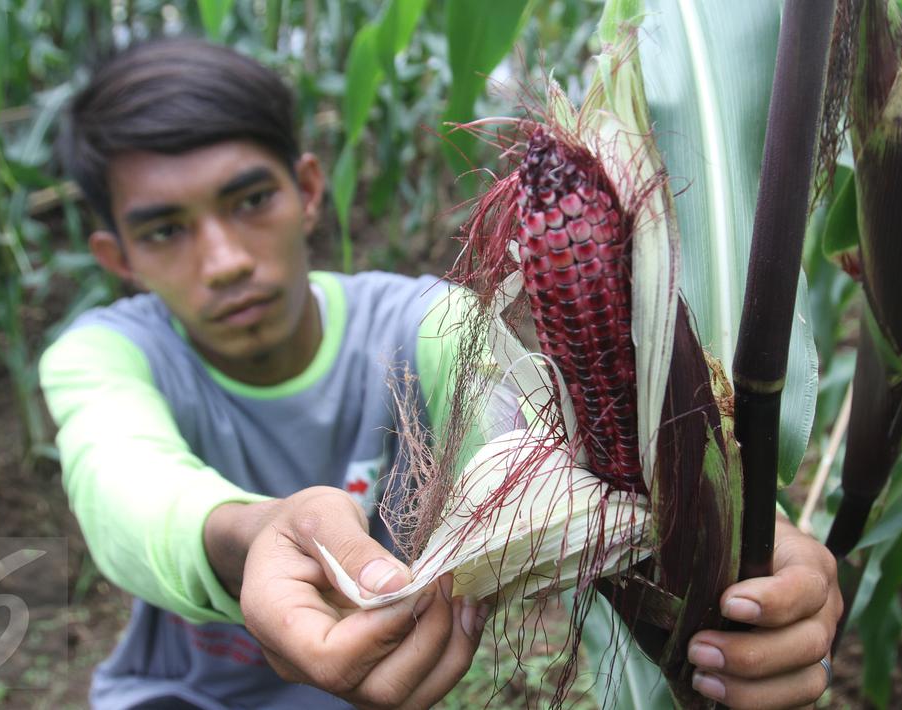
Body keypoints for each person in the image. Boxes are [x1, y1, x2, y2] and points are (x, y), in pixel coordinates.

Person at [43, 37, 842, 710]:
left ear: (308, 190)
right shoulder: (105, 354)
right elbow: (123, 484)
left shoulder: (425, 322)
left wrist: (745, 537)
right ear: (116, 257)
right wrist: (249, 534)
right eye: (166, 231)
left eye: (250, 200)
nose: (223, 261)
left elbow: (540, 428)